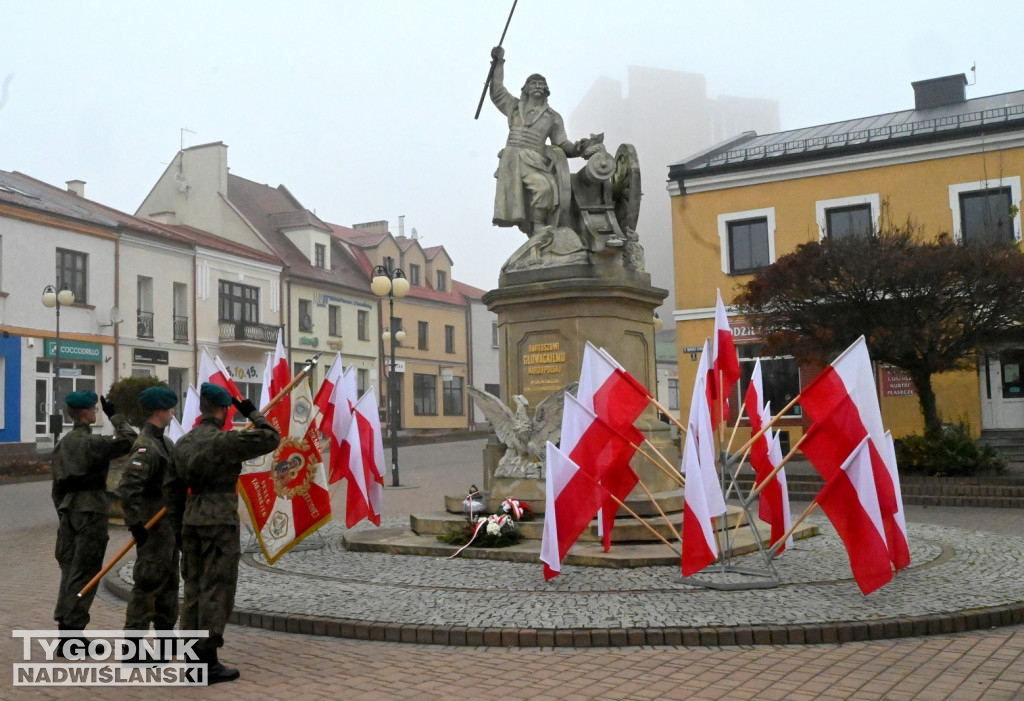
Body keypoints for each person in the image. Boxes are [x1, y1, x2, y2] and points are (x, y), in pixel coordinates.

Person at [165, 383, 279, 684]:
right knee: (217, 588)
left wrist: (177, 527)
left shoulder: (183, 443)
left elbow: (172, 490)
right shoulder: (225, 441)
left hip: (190, 518)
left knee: (192, 588)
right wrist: (252, 412)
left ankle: (192, 659)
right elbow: (271, 437)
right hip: (218, 520)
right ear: (224, 409)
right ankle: (208, 661)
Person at [51, 390, 137, 657]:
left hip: (68, 512)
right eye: (95, 410)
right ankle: (73, 637)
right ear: (87, 413)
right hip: (91, 513)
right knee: (85, 572)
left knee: (69, 571)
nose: (96, 413)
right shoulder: (93, 443)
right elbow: (132, 440)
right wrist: (115, 416)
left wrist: (64, 511)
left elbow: (56, 488)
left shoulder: (63, 444)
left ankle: (66, 631)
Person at [489, 45, 592, 236]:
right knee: (521, 196)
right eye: (534, 83)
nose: (537, 86)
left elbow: (562, 144)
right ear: (526, 89)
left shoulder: (553, 117)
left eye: (541, 84)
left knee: (545, 188)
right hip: (512, 159)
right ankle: (533, 227)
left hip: (534, 160)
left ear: (546, 90)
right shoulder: (513, 106)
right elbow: (497, 92)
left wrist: (578, 148)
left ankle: (537, 225)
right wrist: (498, 63)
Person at [118, 385, 180, 662]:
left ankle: (166, 640)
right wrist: (135, 525)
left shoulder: (166, 443)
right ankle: (133, 648)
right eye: (169, 409)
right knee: (147, 585)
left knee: (169, 584)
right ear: (159, 411)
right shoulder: (146, 446)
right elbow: (129, 487)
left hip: (168, 529)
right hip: (153, 529)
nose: (172, 413)